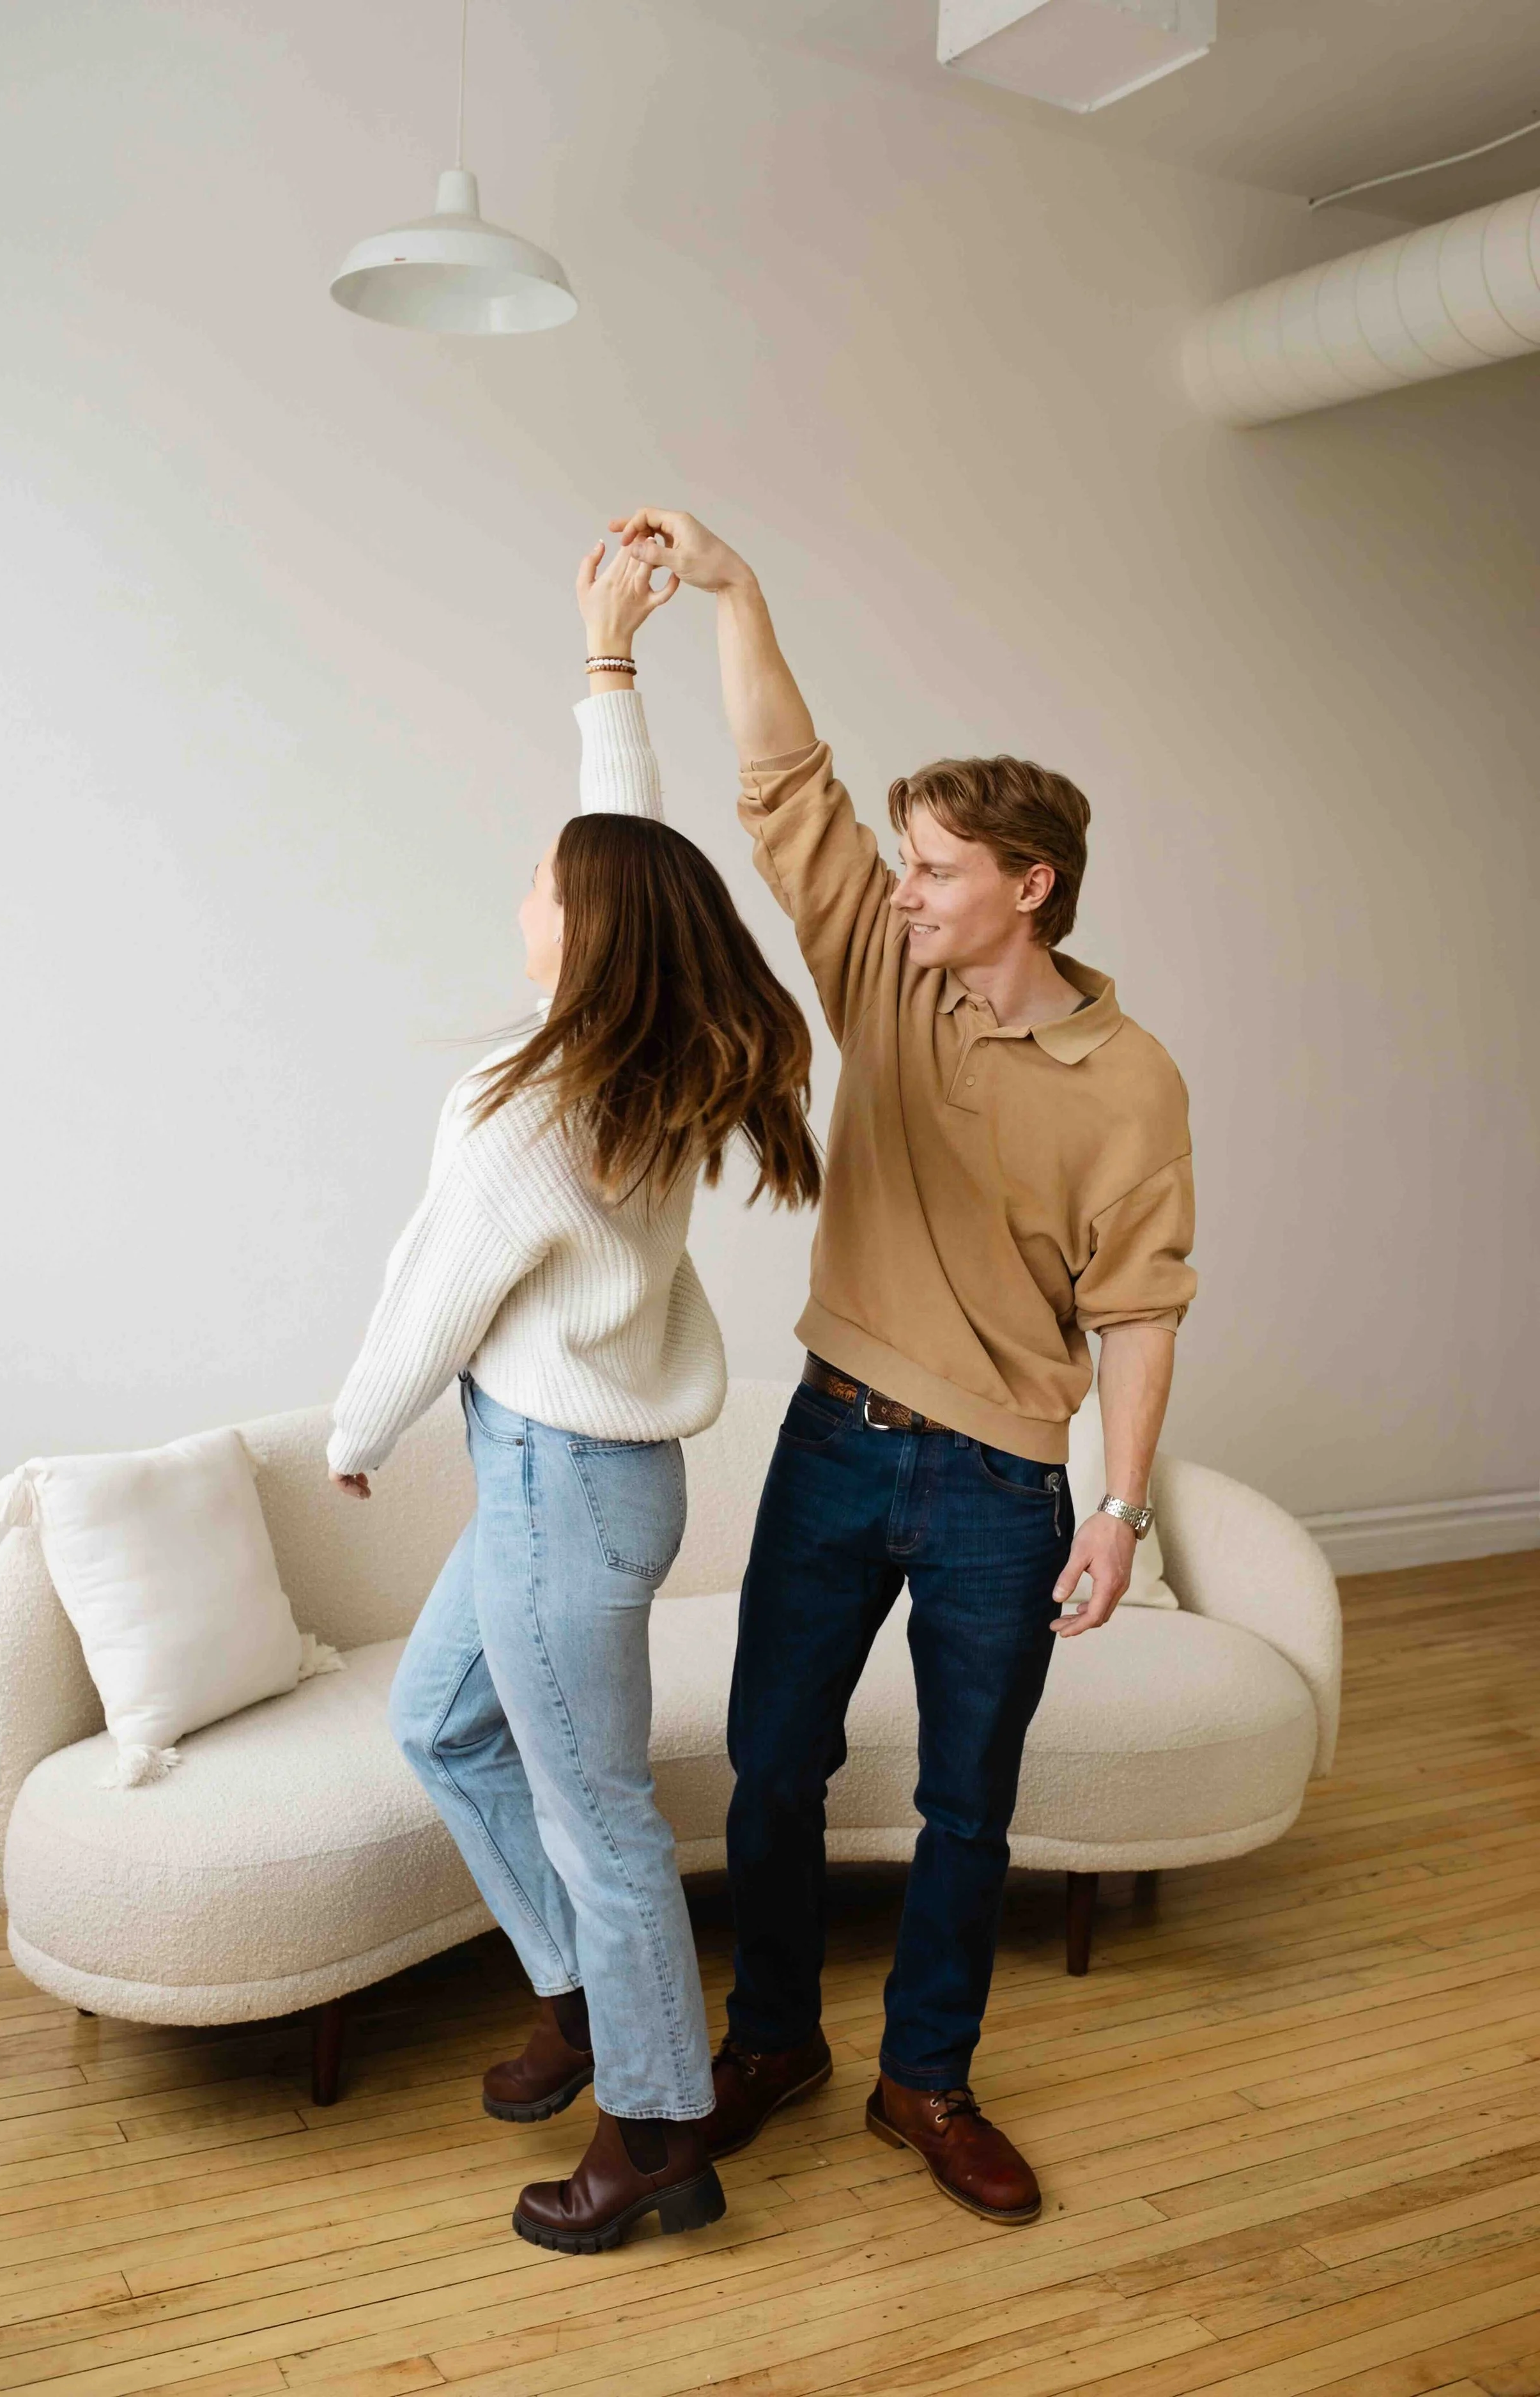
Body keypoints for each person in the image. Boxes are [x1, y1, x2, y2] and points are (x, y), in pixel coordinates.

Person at [608, 506, 1197, 2228]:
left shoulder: (1130, 1078)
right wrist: (734, 589)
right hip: (835, 1437)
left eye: (934, 865)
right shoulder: (884, 965)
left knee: (964, 1809)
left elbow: (1140, 1305)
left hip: (1004, 1486)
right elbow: (784, 778)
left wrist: (1117, 1507)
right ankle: (775, 2036)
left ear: (1030, 885)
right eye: (904, 859)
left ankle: (922, 2077)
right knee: (772, 1763)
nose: (899, 885)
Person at [326, 539, 820, 2254]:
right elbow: (634, 847)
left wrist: (351, 1432)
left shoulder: (533, 1098)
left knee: (597, 1814)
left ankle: (658, 2127)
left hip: (553, 1496)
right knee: (437, 1724)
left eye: (545, 876)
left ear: (583, 925)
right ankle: (584, 1999)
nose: (528, 882)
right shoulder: (643, 1046)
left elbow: (436, 1289)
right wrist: (605, 664)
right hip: (595, 1491)